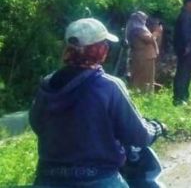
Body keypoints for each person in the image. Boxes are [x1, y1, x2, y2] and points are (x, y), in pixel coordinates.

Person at [29, 18, 164, 187]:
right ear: (99, 50)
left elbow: (36, 124)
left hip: (47, 178)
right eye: (104, 44)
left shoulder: (48, 83)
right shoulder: (108, 86)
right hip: (99, 178)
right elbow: (139, 135)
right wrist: (156, 128)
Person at [173, 0, 191, 105]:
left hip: (188, 50)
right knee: (183, 73)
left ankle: (184, 96)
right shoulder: (185, 16)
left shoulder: (188, 15)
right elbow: (185, 34)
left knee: (186, 73)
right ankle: (179, 98)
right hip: (186, 51)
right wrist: (187, 47)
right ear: (189, 4)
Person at [125, 11, 160, 93]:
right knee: (143, 77)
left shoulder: (139, 28)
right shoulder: (138, 29)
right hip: (143, 56)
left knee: (146, 77)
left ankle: (143, 93)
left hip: (145, 56)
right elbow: (150, 39)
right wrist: (156, 32)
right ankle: (142, 94)